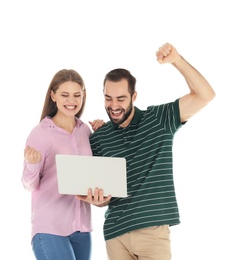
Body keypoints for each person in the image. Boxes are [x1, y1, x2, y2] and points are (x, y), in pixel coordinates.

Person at [76, 42, 216, 260]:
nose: (113, 106)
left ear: (134, 97)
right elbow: (104, 199)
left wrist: (177, 60)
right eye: (108, 98)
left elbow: (205, 95)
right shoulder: (99, 138)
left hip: (152, 233)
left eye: (121, 98)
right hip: (115, 234)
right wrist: (98, 200)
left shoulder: (159, 119)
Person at [21, 69, 104, 260]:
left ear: (83, 96)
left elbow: (93, 175)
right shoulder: (41, 133)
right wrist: (32, 164)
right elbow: (28, 184)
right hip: (49, 226)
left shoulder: (85, 131)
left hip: (81, 228)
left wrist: (103, 133)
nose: (71, 101)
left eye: (77, 95)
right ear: (53, 95)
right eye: (64, 95)